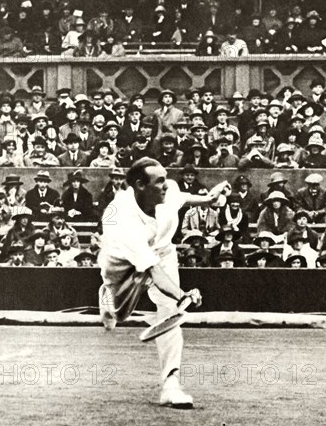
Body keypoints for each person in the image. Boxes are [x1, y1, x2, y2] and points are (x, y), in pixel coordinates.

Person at [98, 157, 229, 408]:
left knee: (170, 312)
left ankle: (171, 384)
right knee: (118, 314)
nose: (167, 185)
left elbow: (182, 197)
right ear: (140, 186)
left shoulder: (167, 190)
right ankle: (107, 294)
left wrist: (208, 200)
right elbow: (153, 272)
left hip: (162, 252)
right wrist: (182, 294)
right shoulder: (123, 219)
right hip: (119, 259)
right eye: (159, 182)